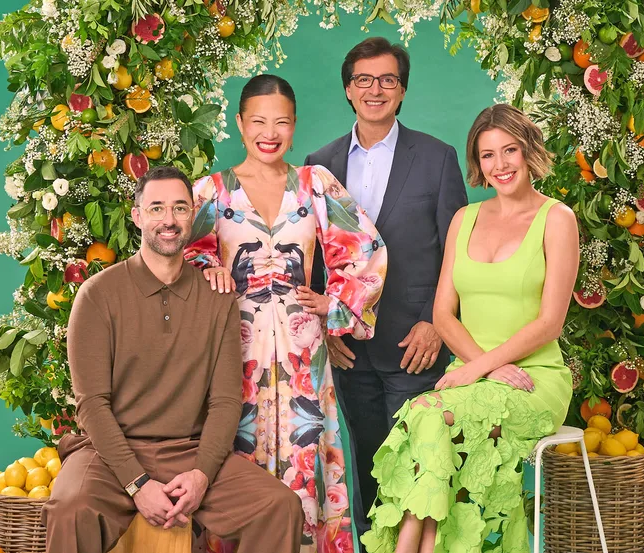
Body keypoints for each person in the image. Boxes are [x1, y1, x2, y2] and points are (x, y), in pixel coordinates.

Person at [43, 166, 304, 553]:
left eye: (180, 208)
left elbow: (225, 401)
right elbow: (92, 405)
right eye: (157, 208)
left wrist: (201, 474)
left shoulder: (216, 298)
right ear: (137, 216)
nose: (169, 220)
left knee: (280, 506)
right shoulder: (97, 295)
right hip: (108, 454)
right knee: (70, 509)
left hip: (189, 450)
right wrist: (137, 483)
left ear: (192, 216)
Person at [361, 104, 580, 553]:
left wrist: (481, 367)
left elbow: (549, 322)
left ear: (529, 151)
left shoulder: (557, 219)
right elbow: (443, 315)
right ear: (477, 163)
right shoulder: (465, 220)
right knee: (427, 420)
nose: (500, 165)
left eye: (510, 151)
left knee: (427, 413)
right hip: (472, 378)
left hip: (533, 380)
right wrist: (482, 369)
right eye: (487, 155)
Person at [184, 75, 388, 553]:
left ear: (294, 126)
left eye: (280, 122)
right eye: (257, 121)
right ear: (239, 124)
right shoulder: (210, 193)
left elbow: (367, 250)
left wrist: (335, 303)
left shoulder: (315, 185)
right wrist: (208, 266)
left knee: (308, 457)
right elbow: (179, 257)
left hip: (303, 353)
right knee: (236, 456)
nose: (269, 132)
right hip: (235, 352)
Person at [303, 37, 467, 546]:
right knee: (369, 469)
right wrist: (327, 327)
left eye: (388, 80)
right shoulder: (319, 162)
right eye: (364, 80)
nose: (376, 89)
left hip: (415, 344)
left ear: (402, 90)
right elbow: (314, 259)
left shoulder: (438, 158)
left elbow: (455, 252)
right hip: (349, 348)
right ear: (349, 91)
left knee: (418, 474)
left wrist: (435, 323)